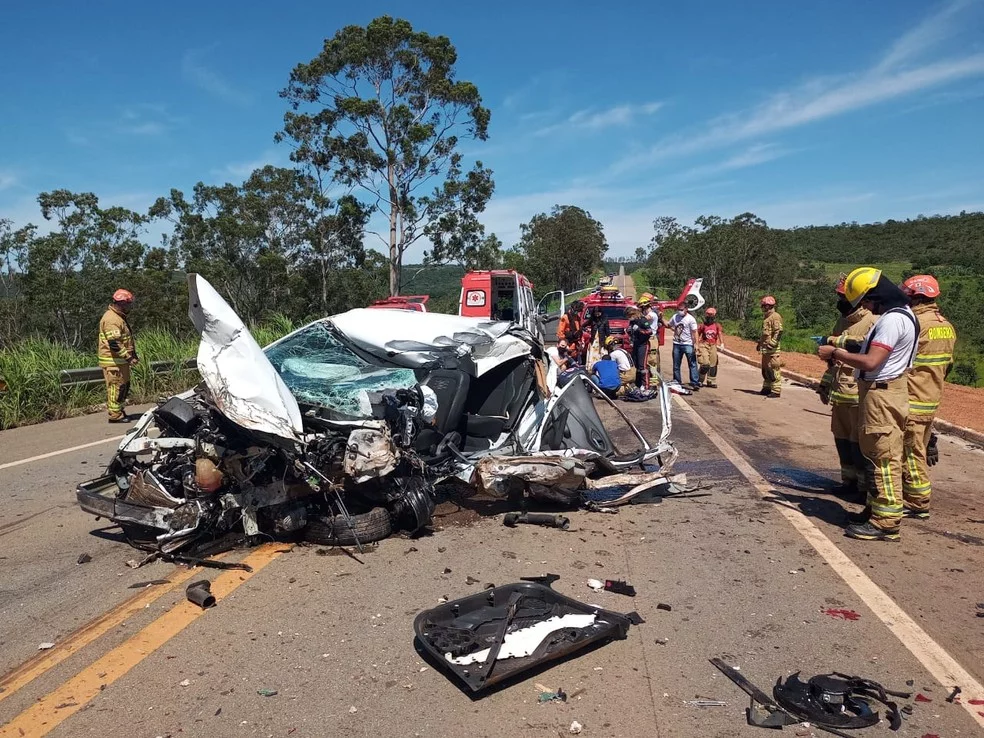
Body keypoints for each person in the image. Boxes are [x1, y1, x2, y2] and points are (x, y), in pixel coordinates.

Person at [818, 267, 917, 542]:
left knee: (883, 459)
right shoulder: (902, 316)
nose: (868, 306)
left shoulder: (892, 321)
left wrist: (835, 352)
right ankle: (875, 511)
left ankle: (885, 522)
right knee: (876, 457)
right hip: (884, 393)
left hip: (881, 395)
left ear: (878, 295)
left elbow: (872, 361)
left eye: (869, 301)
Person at [899, 275, 956, 520]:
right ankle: (914, 496)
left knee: (911, 453)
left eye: (908, 296)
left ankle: (918, 501)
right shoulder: (946, 325)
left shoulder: (916, 323)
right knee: (916, 447)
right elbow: (947, 366)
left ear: (917, 297)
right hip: (930, 399)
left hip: (911, 398)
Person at [817, 278, 877, 499]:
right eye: (840, 297)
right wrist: (825, 383)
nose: (840, 301)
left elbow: (865, 351)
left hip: (857, 393)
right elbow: (833, 359)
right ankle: (848, 481)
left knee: (857, 442)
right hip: (839, 392)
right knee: (841, 438)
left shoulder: (873, 321)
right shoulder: (842, 322)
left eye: (844, 297)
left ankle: (863, 487)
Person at [98, 288, 138, 423]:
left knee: (123, 386)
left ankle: (119, 410)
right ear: (121, 304)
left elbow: (126, 340)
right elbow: (114, 343)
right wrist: (129, 357)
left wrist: (133, 354)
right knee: (116, 387)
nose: (129, 307)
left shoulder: (119, 317)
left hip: (120, 361)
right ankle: (115, 415)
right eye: (128, 304)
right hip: (113, 362)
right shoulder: (111, 319)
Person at [667, 305, 700, 390]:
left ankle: (695, 382)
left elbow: (695, 332)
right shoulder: (675, 317)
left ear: (686, 309)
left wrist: (696, 344)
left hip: (688, 344)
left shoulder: (690, 319)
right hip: (677, 344)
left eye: (681, 310)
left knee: (692, 364)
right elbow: (668, 324)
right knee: (676, 365)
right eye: (678, 309)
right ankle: (677, 381)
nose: (679, 311)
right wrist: (661, 318)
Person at [757, 296, 783, 397]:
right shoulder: (766, 317)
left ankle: (776, 390)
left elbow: (778, 332)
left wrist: (772, 344)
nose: (762, 308)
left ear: (768, 306)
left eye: (763, 306)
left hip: (772, 350)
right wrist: (760, 343)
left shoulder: (775, 316)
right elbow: (764, 334)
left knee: (773, 369)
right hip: (765, 349)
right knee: (765, 369)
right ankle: (767, 387)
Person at [637, 292, 664, 378]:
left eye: (641, 307)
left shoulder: (651, 315)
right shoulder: (648, 314)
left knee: (652, 360)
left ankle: (654, 381)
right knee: (646, 360)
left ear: (645, 306)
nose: (641, 309)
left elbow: (642, 320)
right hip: (647, 339)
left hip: (652, 340)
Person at [625, 306, 653, 388]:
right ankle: (638, 384)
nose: (629, 318)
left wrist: (639, 330)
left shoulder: (643, 320)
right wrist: (629, 331)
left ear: (633, 314)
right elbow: (631, 333)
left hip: (643, 344)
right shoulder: (633, 322)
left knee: (642, 366)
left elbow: (649, 331)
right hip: (636, 344)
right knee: (636, 365)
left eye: (629, 316)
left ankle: (646, 385)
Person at [696, 307, 725, 388]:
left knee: (713, 364)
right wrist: (697, 343)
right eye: (708, 315)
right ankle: (699, 380)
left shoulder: (717, 325)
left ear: (714, 316)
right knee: (705, 363)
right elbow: (697, 333)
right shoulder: (703, 325)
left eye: (711, 315)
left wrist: (722, 343)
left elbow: (719, 334)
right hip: (704, 344)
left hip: (713, 345)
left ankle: (711, 381)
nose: (709, 316)